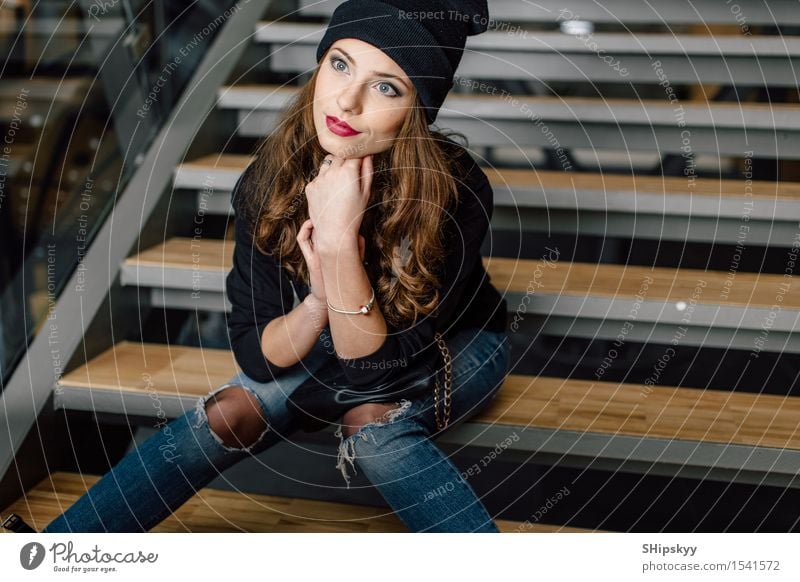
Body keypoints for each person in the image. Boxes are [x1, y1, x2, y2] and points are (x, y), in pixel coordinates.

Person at [42, 0, 511, 533]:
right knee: (229, 411)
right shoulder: (271, 176)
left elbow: (374, 373)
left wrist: (336, 243)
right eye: (339, 64)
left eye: (387, 87)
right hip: (334, 338)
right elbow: (257, 357)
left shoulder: (457, 191)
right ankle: (57, 552)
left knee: (373, 428)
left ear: (418, 109)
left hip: (456, 343)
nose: (347, 100)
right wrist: (316, 303)